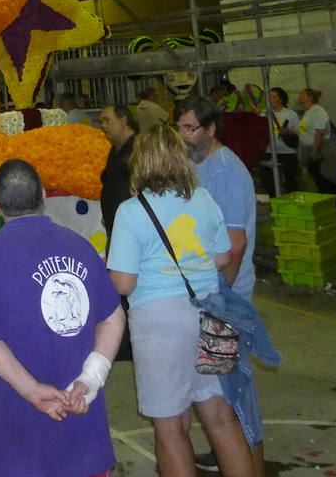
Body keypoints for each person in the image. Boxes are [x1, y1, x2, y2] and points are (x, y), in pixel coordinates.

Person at [0, 159, 124, 477]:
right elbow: (114, 317)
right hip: (81, 425)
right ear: (44, 195)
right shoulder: (81, 246)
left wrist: (32, 390)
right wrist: (90, 379)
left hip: (18, 437)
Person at [107, 126, 252, 477]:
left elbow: (124, 284)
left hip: (161, 326)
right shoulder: (203, 199)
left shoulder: (131, 211)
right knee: (221, 417)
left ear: (140, 161)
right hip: (210, 315)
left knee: (171, 428)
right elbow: (222, 257)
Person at [175, 95, 263, 477]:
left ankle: (252, 466)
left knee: (235, 396)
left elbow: (236, 244)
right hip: (208, 294)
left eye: (191, 129)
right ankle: (229, 452)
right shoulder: (201, 166)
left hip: (224, 298)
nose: (183, 136)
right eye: (179, 128)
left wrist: (219, 301)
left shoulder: (225, 172)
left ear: (211, 129)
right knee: (218, 394)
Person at [99, 103, 141, 238]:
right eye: (101, 121)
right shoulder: (115, 149)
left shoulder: (140, 149)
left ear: (123, 121)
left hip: (133, 227)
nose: (103, 126)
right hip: (114, 225)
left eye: (107, 120)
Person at [297, 89, 336, 202]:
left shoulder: (317, 111)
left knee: (327, 180)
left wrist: (314, 152)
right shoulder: (308, 112)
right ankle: (326, 206)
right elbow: (305, 130)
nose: (299, 96)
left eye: (302, 94)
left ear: (310, 97)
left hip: (322, 150)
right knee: (319, 180)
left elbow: (319, 133)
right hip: (312, 150)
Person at [262, 88, 300, 196]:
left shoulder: (290, 114)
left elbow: (299, 132)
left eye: (274, 97)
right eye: (269, 97)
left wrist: (288, 131)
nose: (270, 99)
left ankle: (293, 202)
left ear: (281, 99)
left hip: (287, 152)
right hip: (269, 151)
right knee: (268, 181)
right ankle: (274, 201)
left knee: (290, 180)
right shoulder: (264, 113)